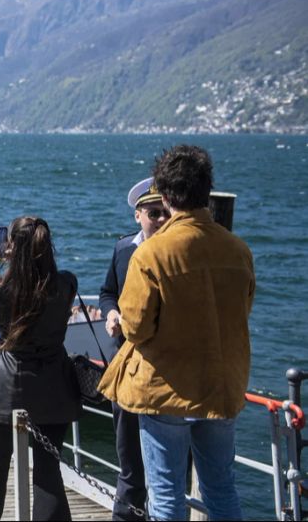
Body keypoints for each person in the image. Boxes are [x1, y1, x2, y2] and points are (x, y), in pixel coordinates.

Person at [98, 145, 255, 521]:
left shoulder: (152, 253)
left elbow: (135, 326)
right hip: (221, 386)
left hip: (167, 390)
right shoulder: (238, 250)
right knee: (221, 490)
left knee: (166, 496)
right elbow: (240, 311)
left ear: (165, 197)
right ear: (206, 191)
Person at [0, 216, 81, 521]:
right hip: (54, 384)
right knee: (48, 471)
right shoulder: (67, 284)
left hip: (8, 385)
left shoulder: (4, 290)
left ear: (13, 247)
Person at [98, 177, 170, 521]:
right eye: (153, 212)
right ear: (137, 215)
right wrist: (111, 313)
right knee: (129, 460)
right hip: (125, 366)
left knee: (167, 465)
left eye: (165, 212)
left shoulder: (176, 252)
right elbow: (107, 291)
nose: (160, 219)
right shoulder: (124, 249)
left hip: (164, 371)